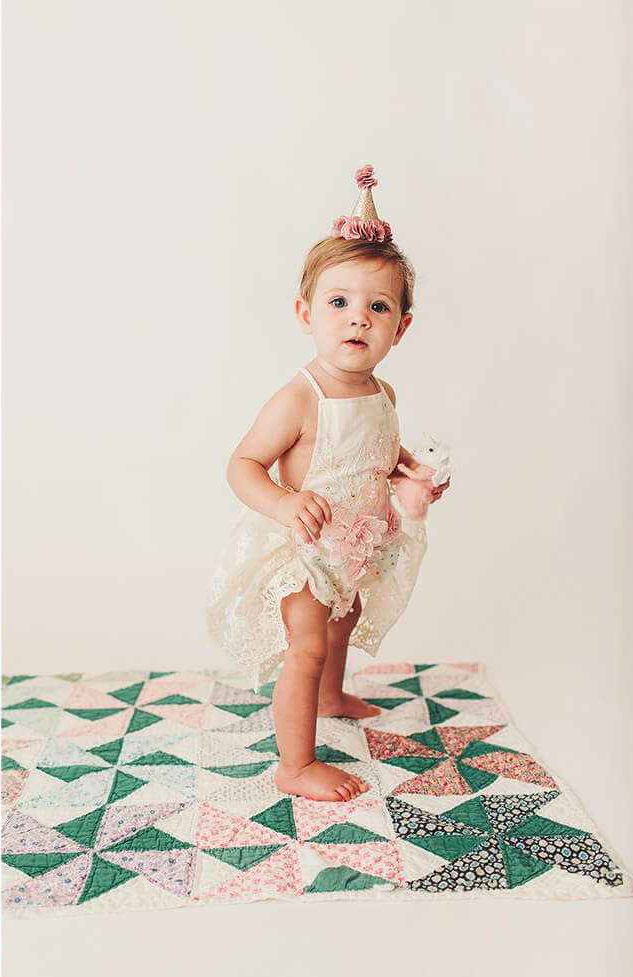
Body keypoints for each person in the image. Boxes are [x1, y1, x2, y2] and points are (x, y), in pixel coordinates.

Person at [209, 166, 446, 802]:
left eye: (378, 307)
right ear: (305, 312)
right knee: (308, 644)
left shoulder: (383, 392)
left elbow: (379, 450)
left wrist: (413, 472)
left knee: (347, 619)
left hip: (356, 543)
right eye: (339, 303)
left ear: (402, 326)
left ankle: (332, 696)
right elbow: (242, 466)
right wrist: (285, 504)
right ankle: (294, 764)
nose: (358, 320)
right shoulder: (299, 397)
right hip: (304, 548)